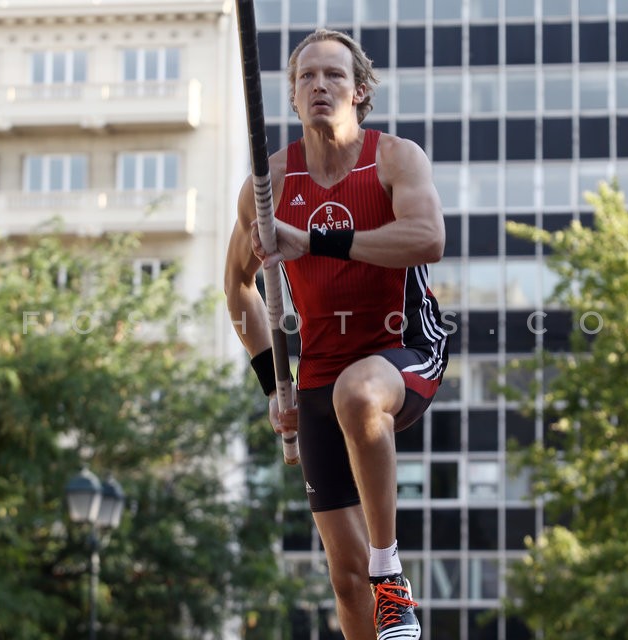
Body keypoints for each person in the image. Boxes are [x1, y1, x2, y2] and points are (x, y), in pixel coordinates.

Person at [224, 29, 448, 640]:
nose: (320, 85)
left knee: (359, 394)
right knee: (344, 579)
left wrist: (314, 240)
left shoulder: (395, 158)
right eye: (307, 77)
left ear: (360, 92)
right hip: (318, 373)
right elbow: (237, 288)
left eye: (334, 76)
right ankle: (371, 584)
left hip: (404, 350)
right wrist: (277, 384)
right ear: (293, 97)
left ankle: (391, 573)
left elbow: (427, 238)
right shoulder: (268, 187)